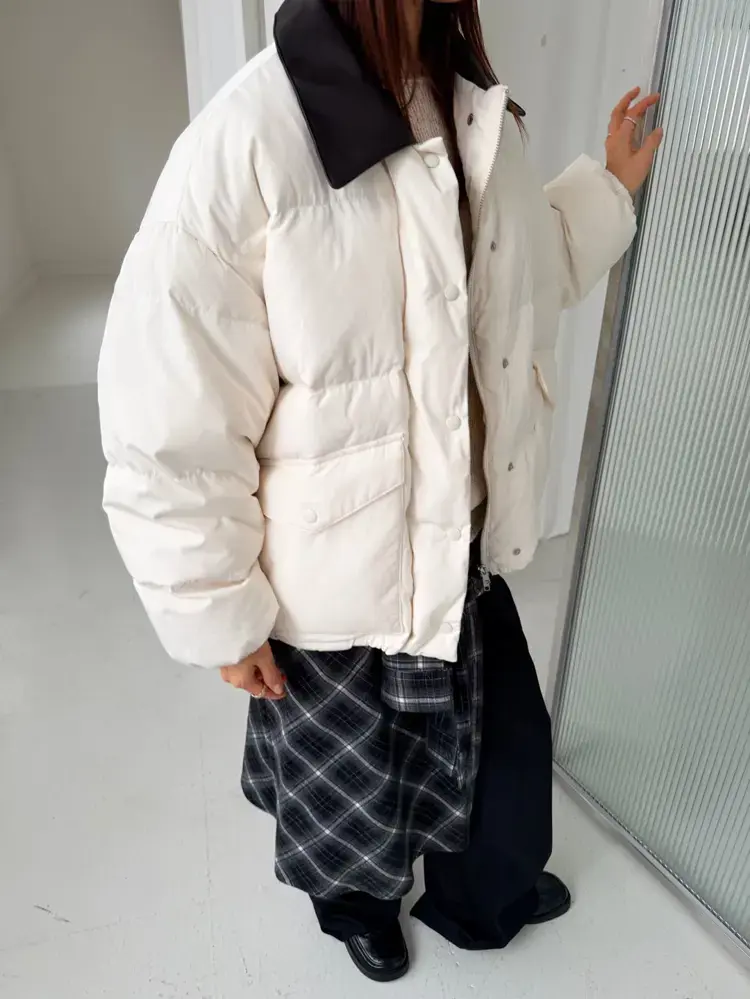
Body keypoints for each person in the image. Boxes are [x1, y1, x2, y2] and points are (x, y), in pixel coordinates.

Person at [98, 0, 662, 983]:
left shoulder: (469, 105)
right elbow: (171, 413)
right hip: (336, 583)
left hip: (462, 551)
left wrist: (609, 188)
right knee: (349, 794)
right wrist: (220, 611)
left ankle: (482, 895)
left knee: (505, 766)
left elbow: (523, 274)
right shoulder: (246, 143)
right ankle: (356, 908)